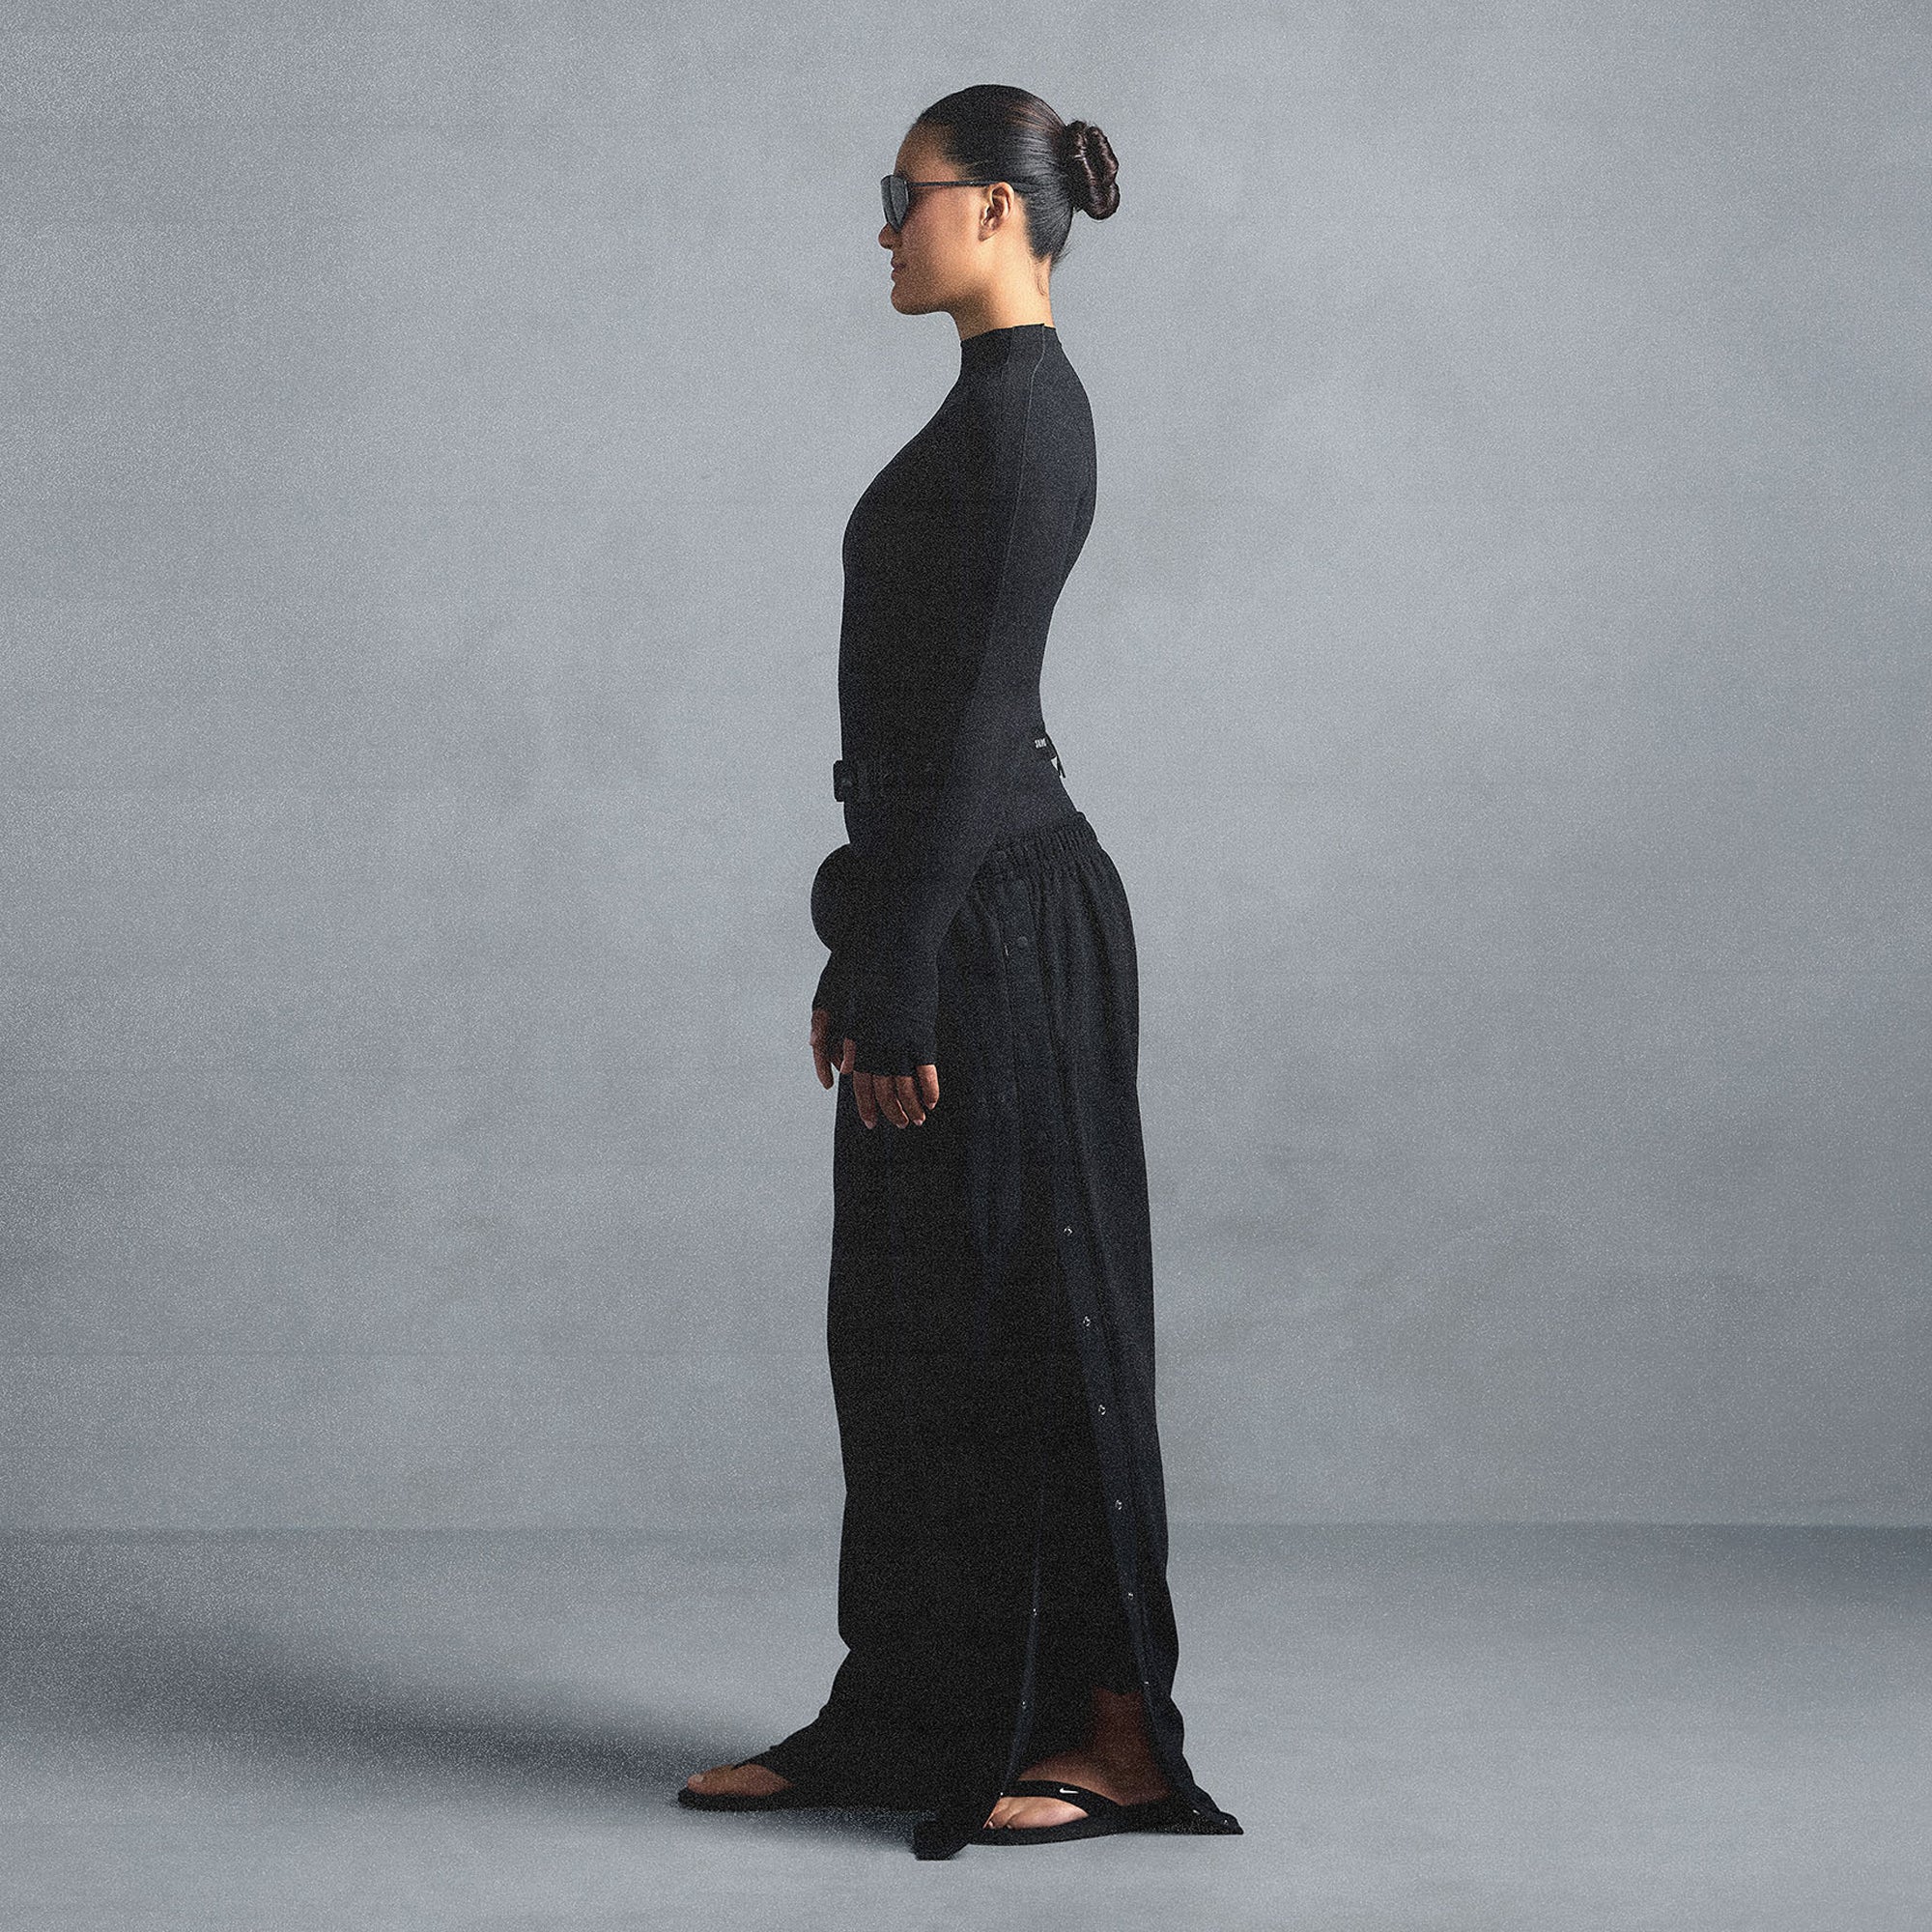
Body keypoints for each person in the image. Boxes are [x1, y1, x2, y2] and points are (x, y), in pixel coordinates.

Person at [679, 85, 1242, 1861]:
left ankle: (1115, 1738)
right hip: (947, 906)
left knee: (1037, 1329)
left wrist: (903, 968)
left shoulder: (1028, 420)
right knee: (909, 1338)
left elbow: (986, 720)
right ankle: (907, 1710)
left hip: (1003, 929)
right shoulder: (989, 409)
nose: (884, 227)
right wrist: (868, 939)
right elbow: (921, 729)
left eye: (904, 194)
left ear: (996, 206)